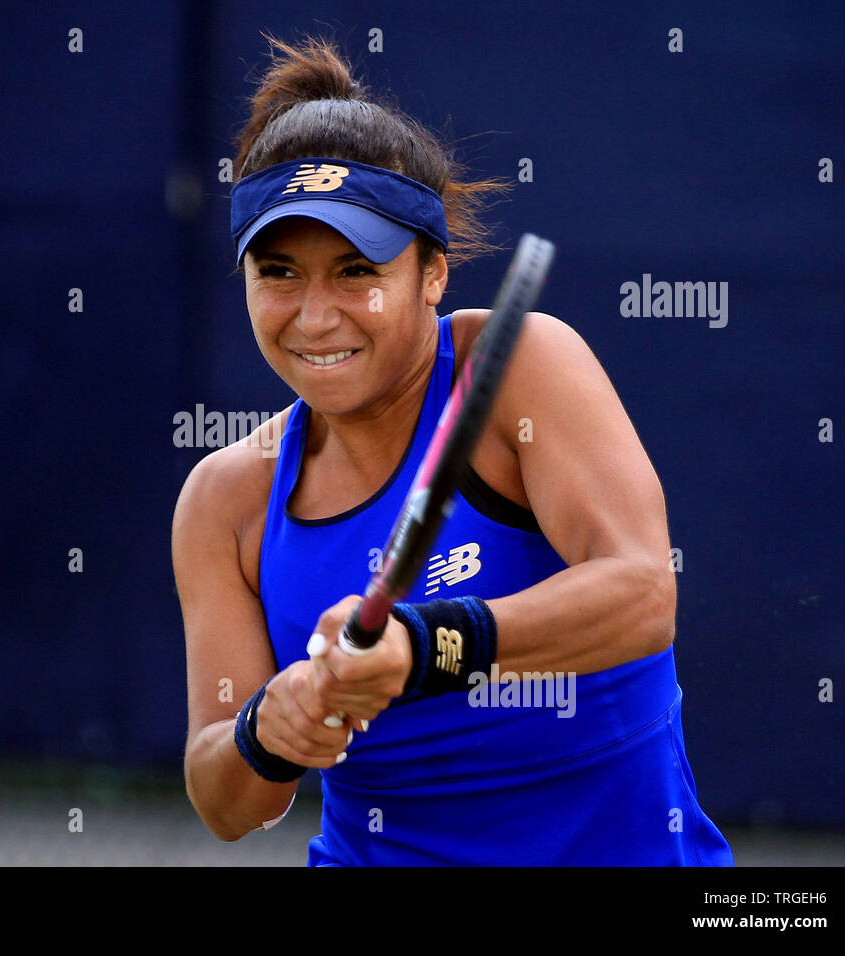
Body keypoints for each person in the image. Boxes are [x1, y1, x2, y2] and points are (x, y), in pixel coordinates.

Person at [173, 37, 733, 865]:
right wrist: (269, 727)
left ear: (433, 274)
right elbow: (226, 803)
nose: (315, 316)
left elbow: (643, 594)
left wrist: (427, 644)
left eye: (358, 270)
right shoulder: (223, 501)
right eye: (279, 272)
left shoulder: (516, 367)